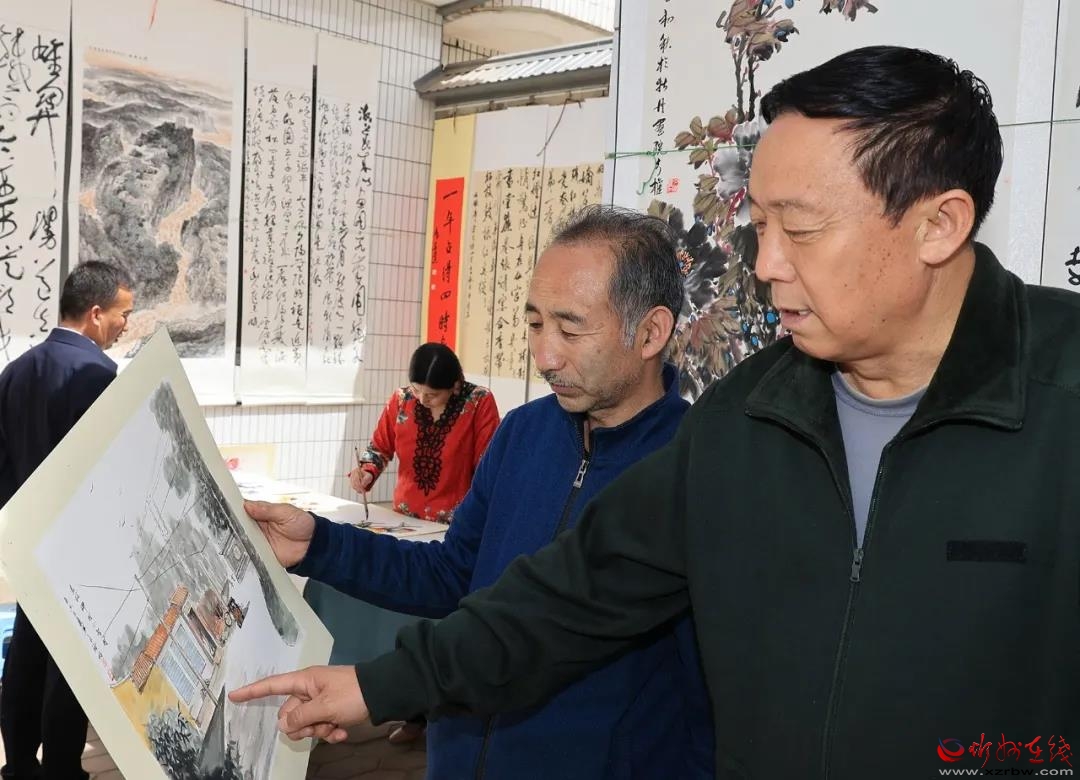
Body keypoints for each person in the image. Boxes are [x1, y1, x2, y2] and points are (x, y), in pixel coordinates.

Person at [231, 46, 1080, 777]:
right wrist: (380, 682)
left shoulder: (1063, 402)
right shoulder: (749, 421)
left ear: (938, 224)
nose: (767, 266)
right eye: (759, 227)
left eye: (800, 229)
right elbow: (570, 596)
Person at [239, 206, 714, 778]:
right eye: (535, 324)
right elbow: (453, 576)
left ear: (651, 332)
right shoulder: (524, 432)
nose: (546, 355)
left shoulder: (695, 470)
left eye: (570, 329)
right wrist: (319, 545)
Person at [0, 261, 134, 780]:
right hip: (82, 545)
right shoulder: (96, 375)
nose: (126, 325)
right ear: (96, 313)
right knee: (74, 662)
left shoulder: (16, 370)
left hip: (29, 540)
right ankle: (61, 766)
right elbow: (110, 470)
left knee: (28, 648)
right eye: (123, 314)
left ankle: (18, 763)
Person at [348, 342, 499, 524]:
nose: (421, 399)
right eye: (416, 389)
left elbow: (488, 465)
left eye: (432, 395)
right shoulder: (402, 399)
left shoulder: (478, 401)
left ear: (455, 385)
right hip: (404, 518)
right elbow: (379, 449)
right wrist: (366, 472)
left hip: (457, 521)